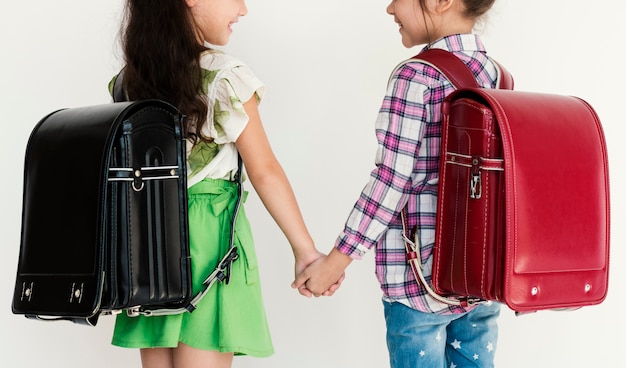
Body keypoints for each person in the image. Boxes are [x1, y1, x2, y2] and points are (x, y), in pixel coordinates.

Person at [109, 0, 335, 367]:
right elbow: (264, 170)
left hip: (149, 244)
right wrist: (306, 252)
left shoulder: (129, 81)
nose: (243, 9)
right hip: (208, 239)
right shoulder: (224, 76)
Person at [292, 0, 503, 367]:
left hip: (417, 281)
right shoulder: (498, 76)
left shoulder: (417, 77)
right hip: (481, 277)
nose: (390, 8)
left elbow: (392, 181)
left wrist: (337, 261)